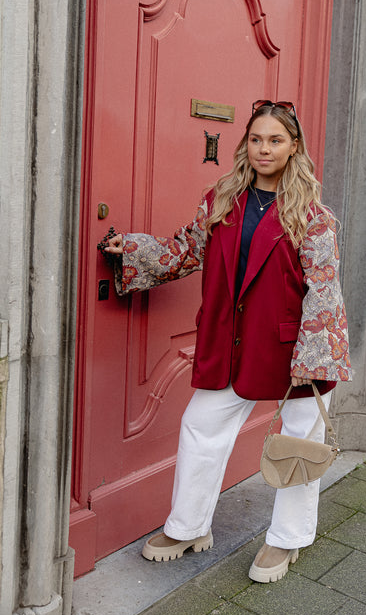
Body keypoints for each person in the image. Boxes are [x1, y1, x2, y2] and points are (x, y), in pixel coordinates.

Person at [104, 100, 352, 583]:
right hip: (233, 342)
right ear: (245, 143)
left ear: (293, 146)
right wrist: (133, 249)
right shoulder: (221, 199)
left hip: (296, 349)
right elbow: (185, 250)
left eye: (276, 140)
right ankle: (188, 527)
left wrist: (312, 355)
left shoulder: (313, 214)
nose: (264, 148)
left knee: (300, 443)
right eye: (256, 139)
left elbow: (325, 287)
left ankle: (286, 540)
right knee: (200, 425)